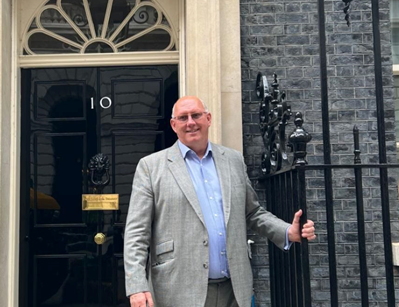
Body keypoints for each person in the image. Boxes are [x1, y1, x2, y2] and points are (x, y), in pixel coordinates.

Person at [124, 96, 316, 307]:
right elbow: (136, 233)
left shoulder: (233, 160)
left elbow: (252, 212)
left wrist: (288, 232)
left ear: (208, 118)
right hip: (176, 289)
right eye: (183, 117)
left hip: (233, 289)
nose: (190, 122)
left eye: (196, 115)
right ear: (173, 124)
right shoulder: (151, 167)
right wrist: (137, 286)